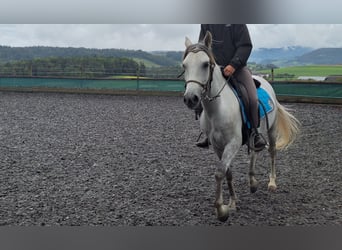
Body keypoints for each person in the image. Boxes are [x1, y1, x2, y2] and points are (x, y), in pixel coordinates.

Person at [196, 24, 266, 151]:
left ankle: (254, 134)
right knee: (200, 95)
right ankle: (207, 132)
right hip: (213, 69)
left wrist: (233, 65)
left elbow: (245, 46)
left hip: (237, 69)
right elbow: (202, 47)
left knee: (252, 99)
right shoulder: (206, 23)